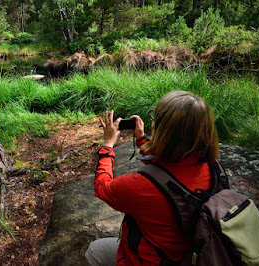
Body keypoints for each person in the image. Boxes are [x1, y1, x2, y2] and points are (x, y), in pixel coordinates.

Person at [85, 91, 219, 266]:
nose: (152, 122)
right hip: (196, 255)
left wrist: (107, 146)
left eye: (155, 118)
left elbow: (102, 187)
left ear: (161, 129)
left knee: (95, 251)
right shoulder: (214, 168)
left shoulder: (142, 185)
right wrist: (141, 139)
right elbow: (174, 160)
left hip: (156, 261)